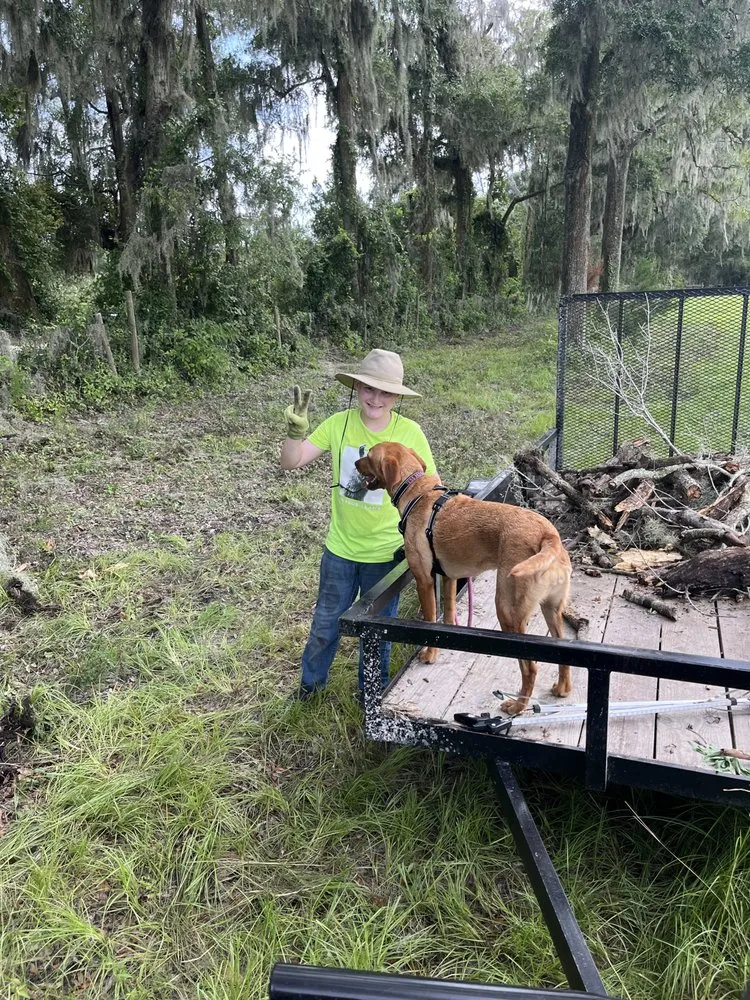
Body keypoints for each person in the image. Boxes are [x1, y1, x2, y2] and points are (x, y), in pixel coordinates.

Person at [280, 349, 436, 702]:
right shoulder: (339, 424)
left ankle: (371, 696)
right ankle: (310, 688)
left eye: (384, 392)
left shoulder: (409, 432)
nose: (375, 398)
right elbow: (292, 462)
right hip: (341, 550)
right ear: (357, 387)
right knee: (325, 624)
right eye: (368, 389)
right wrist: (294, 433)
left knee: (376, 631)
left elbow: (432, 483)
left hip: (386, 553)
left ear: (396, 396)